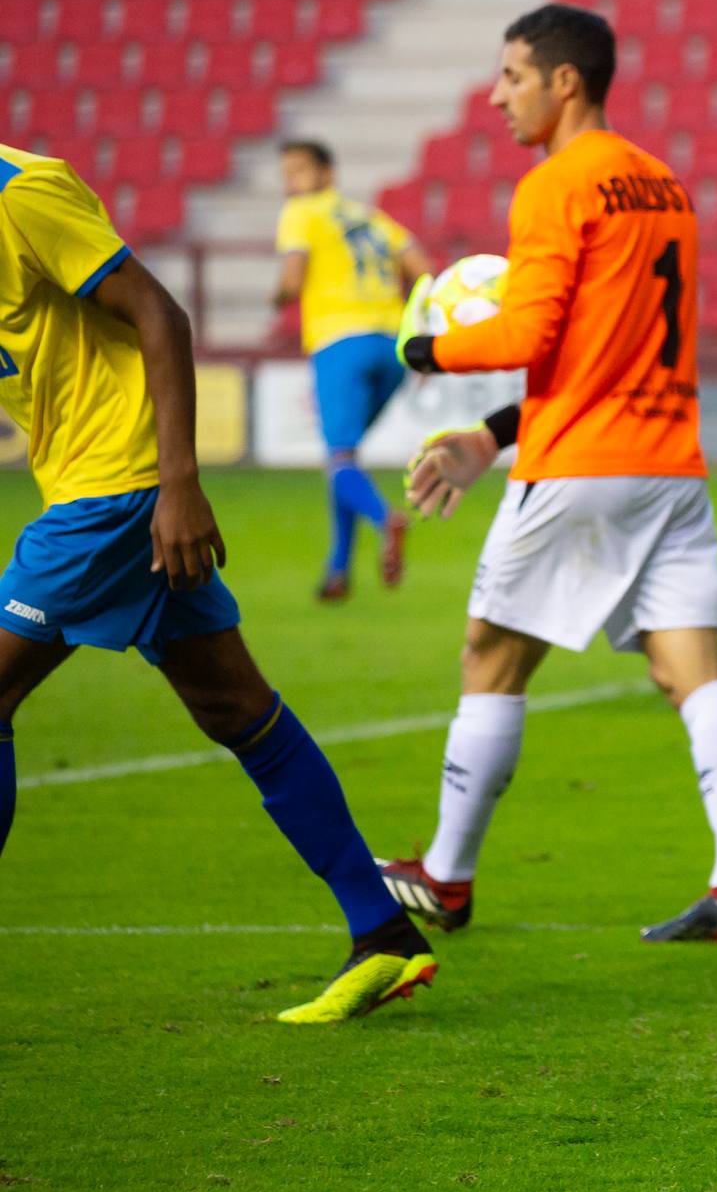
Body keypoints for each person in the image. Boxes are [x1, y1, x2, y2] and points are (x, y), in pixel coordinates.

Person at [0, 144, 438, 1022]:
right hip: (98, 484)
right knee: (238, 709)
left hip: (117, 492)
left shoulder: (19, 192)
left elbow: (160, 313)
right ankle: (383, 935)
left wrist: (179, 483)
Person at [375, 4, 717, 944]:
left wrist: (426, 346)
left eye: (511, 75)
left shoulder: (558, 183)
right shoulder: (661, 183)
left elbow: (528, 333)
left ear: (564, 81)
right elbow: (605, 345)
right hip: (669, 463)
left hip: (584, 465)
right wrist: (493, 434)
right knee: (695, 673)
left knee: (491, 653)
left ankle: (448, 878)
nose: (496, 94)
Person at [272, 138, 431, 602]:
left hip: (341, 342)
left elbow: (292, 279)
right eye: (287, 173)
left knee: (340, 459)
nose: (291, 182)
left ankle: (387, 519)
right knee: (344, 458)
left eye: (299, 170)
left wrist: (279, 297)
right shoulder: (372, 219)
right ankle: (337, 572)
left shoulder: (300, 213)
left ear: (326, 172)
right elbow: (422, 269)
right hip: (392, 346)